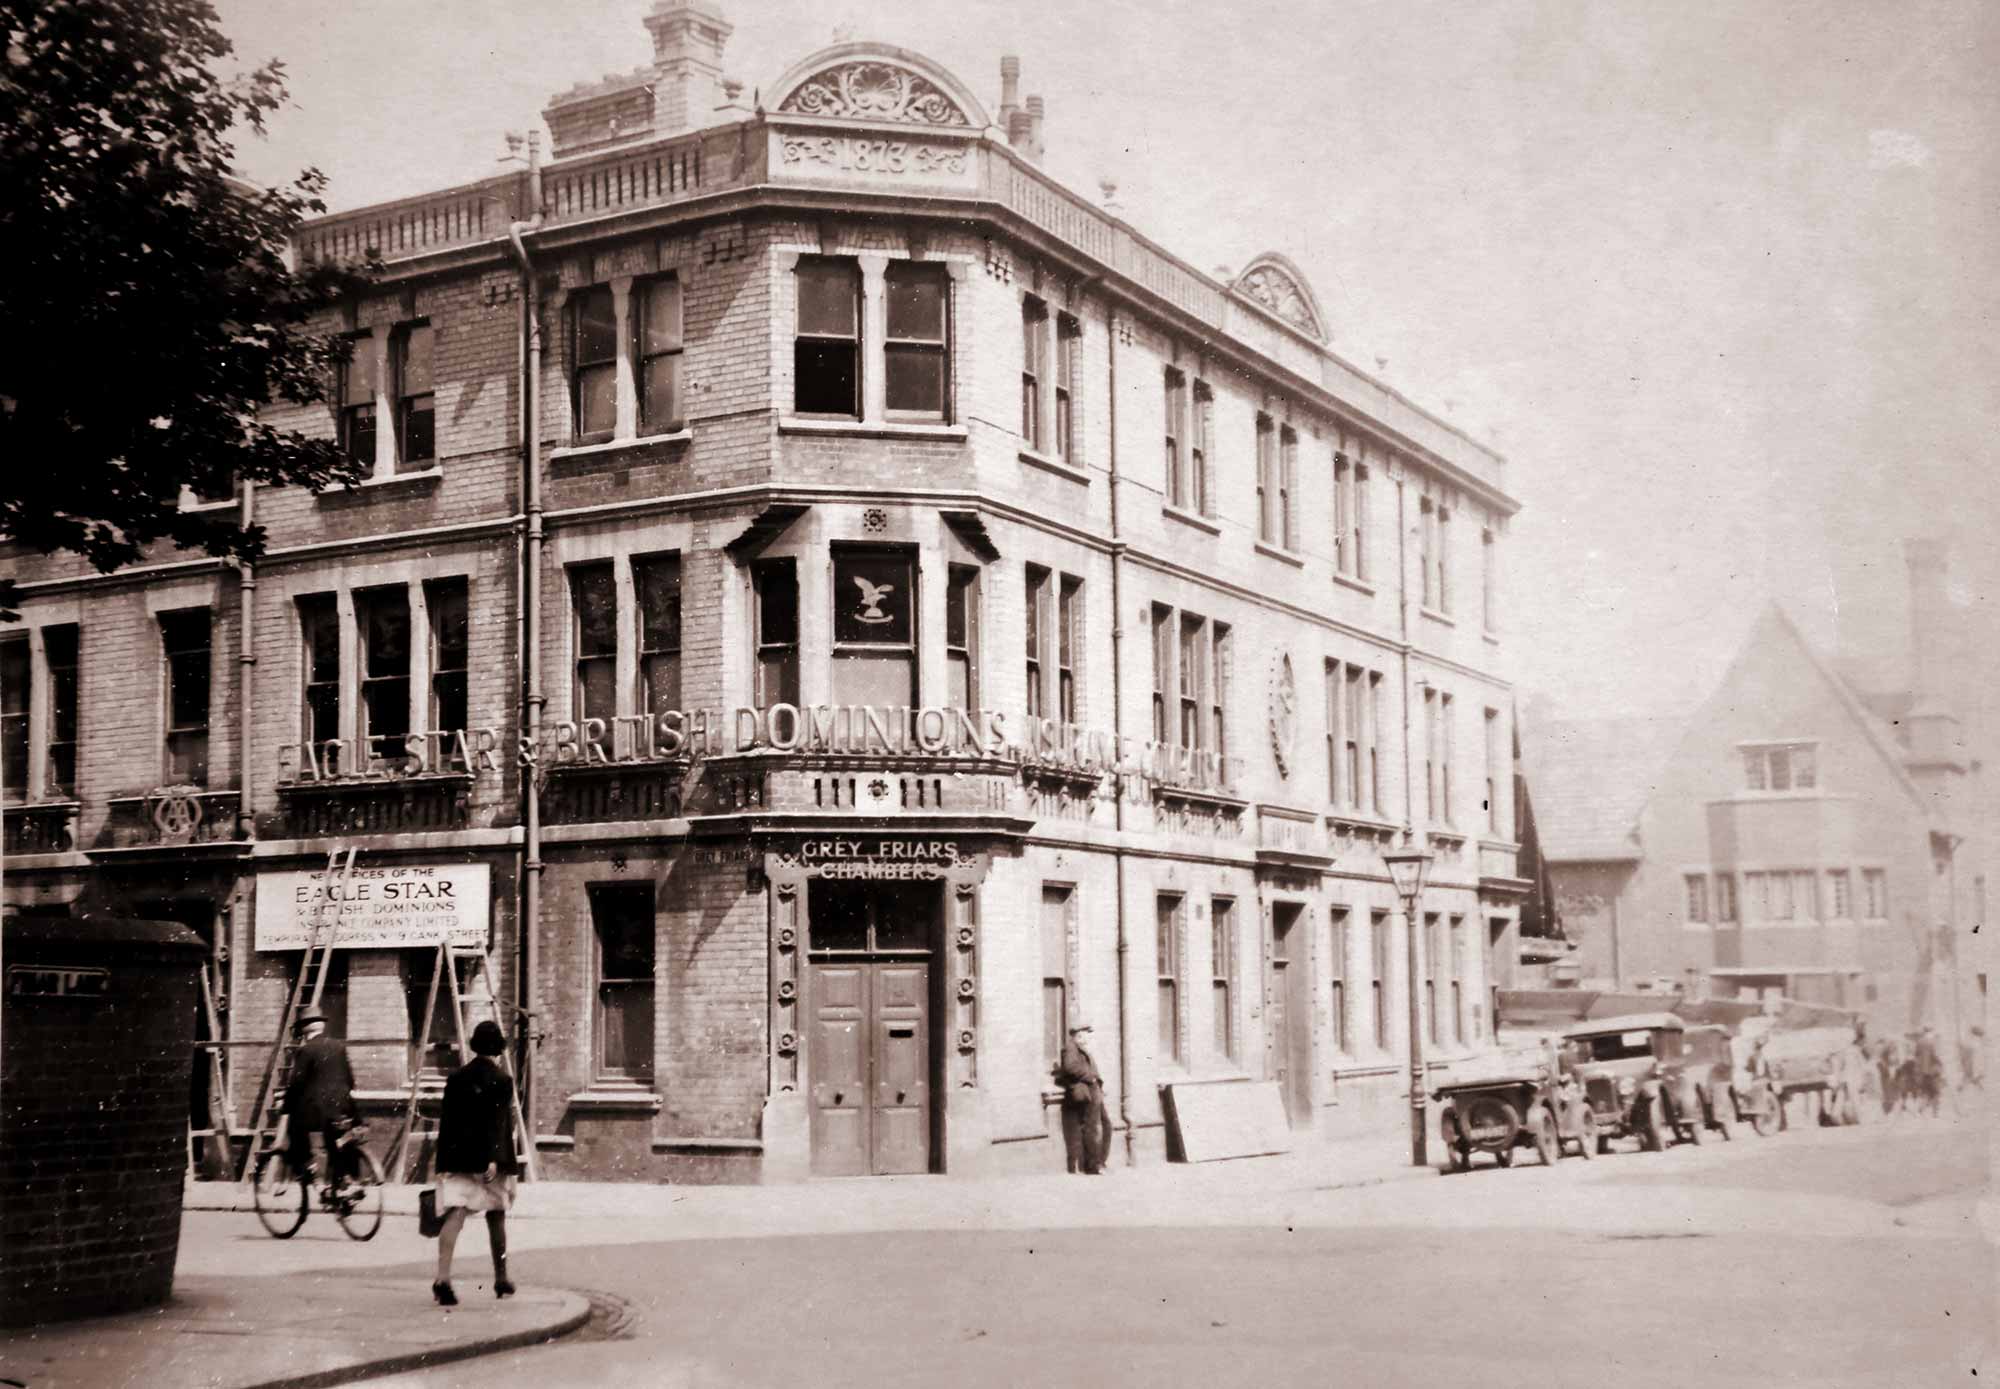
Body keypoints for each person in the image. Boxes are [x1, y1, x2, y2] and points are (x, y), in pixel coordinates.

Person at [433, 1019, 521, 1305]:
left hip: (458, 1158)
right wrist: (495, 1159)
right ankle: (501, 1278)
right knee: (496, 1216)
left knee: (455, 1214)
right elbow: (499, 1123)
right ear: (497, 1049)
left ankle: (442, 1278)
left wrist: (442, 1163)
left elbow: (446, 1123)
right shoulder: (502, 1080)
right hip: (489, 1163)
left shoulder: (455, 1078)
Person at [285, 1005, 359, 1196]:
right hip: (343, 1107)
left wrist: (285, 1107)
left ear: (303, 1030)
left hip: (318, 1112)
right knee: (335, 1138)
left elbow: (296, 1084)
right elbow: (350, 1080)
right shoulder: (339, 1046)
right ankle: (343, 1184)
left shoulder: (305, 1050)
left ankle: (311, 1170)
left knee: (294, 1127)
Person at [1053, 1020, 1109, 1175]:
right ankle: (1093, 1166)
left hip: (1094, 1091)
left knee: (1105, 1125)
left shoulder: (1080, 1049)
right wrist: (1091, 1078)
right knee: (1091, 1128)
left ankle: (1100, 1161)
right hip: (1087, 1092)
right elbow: (1070, 1068)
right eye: (1084, 1035)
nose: (1086, 1039)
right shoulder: (1070, 1049)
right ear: (1077, 1036)